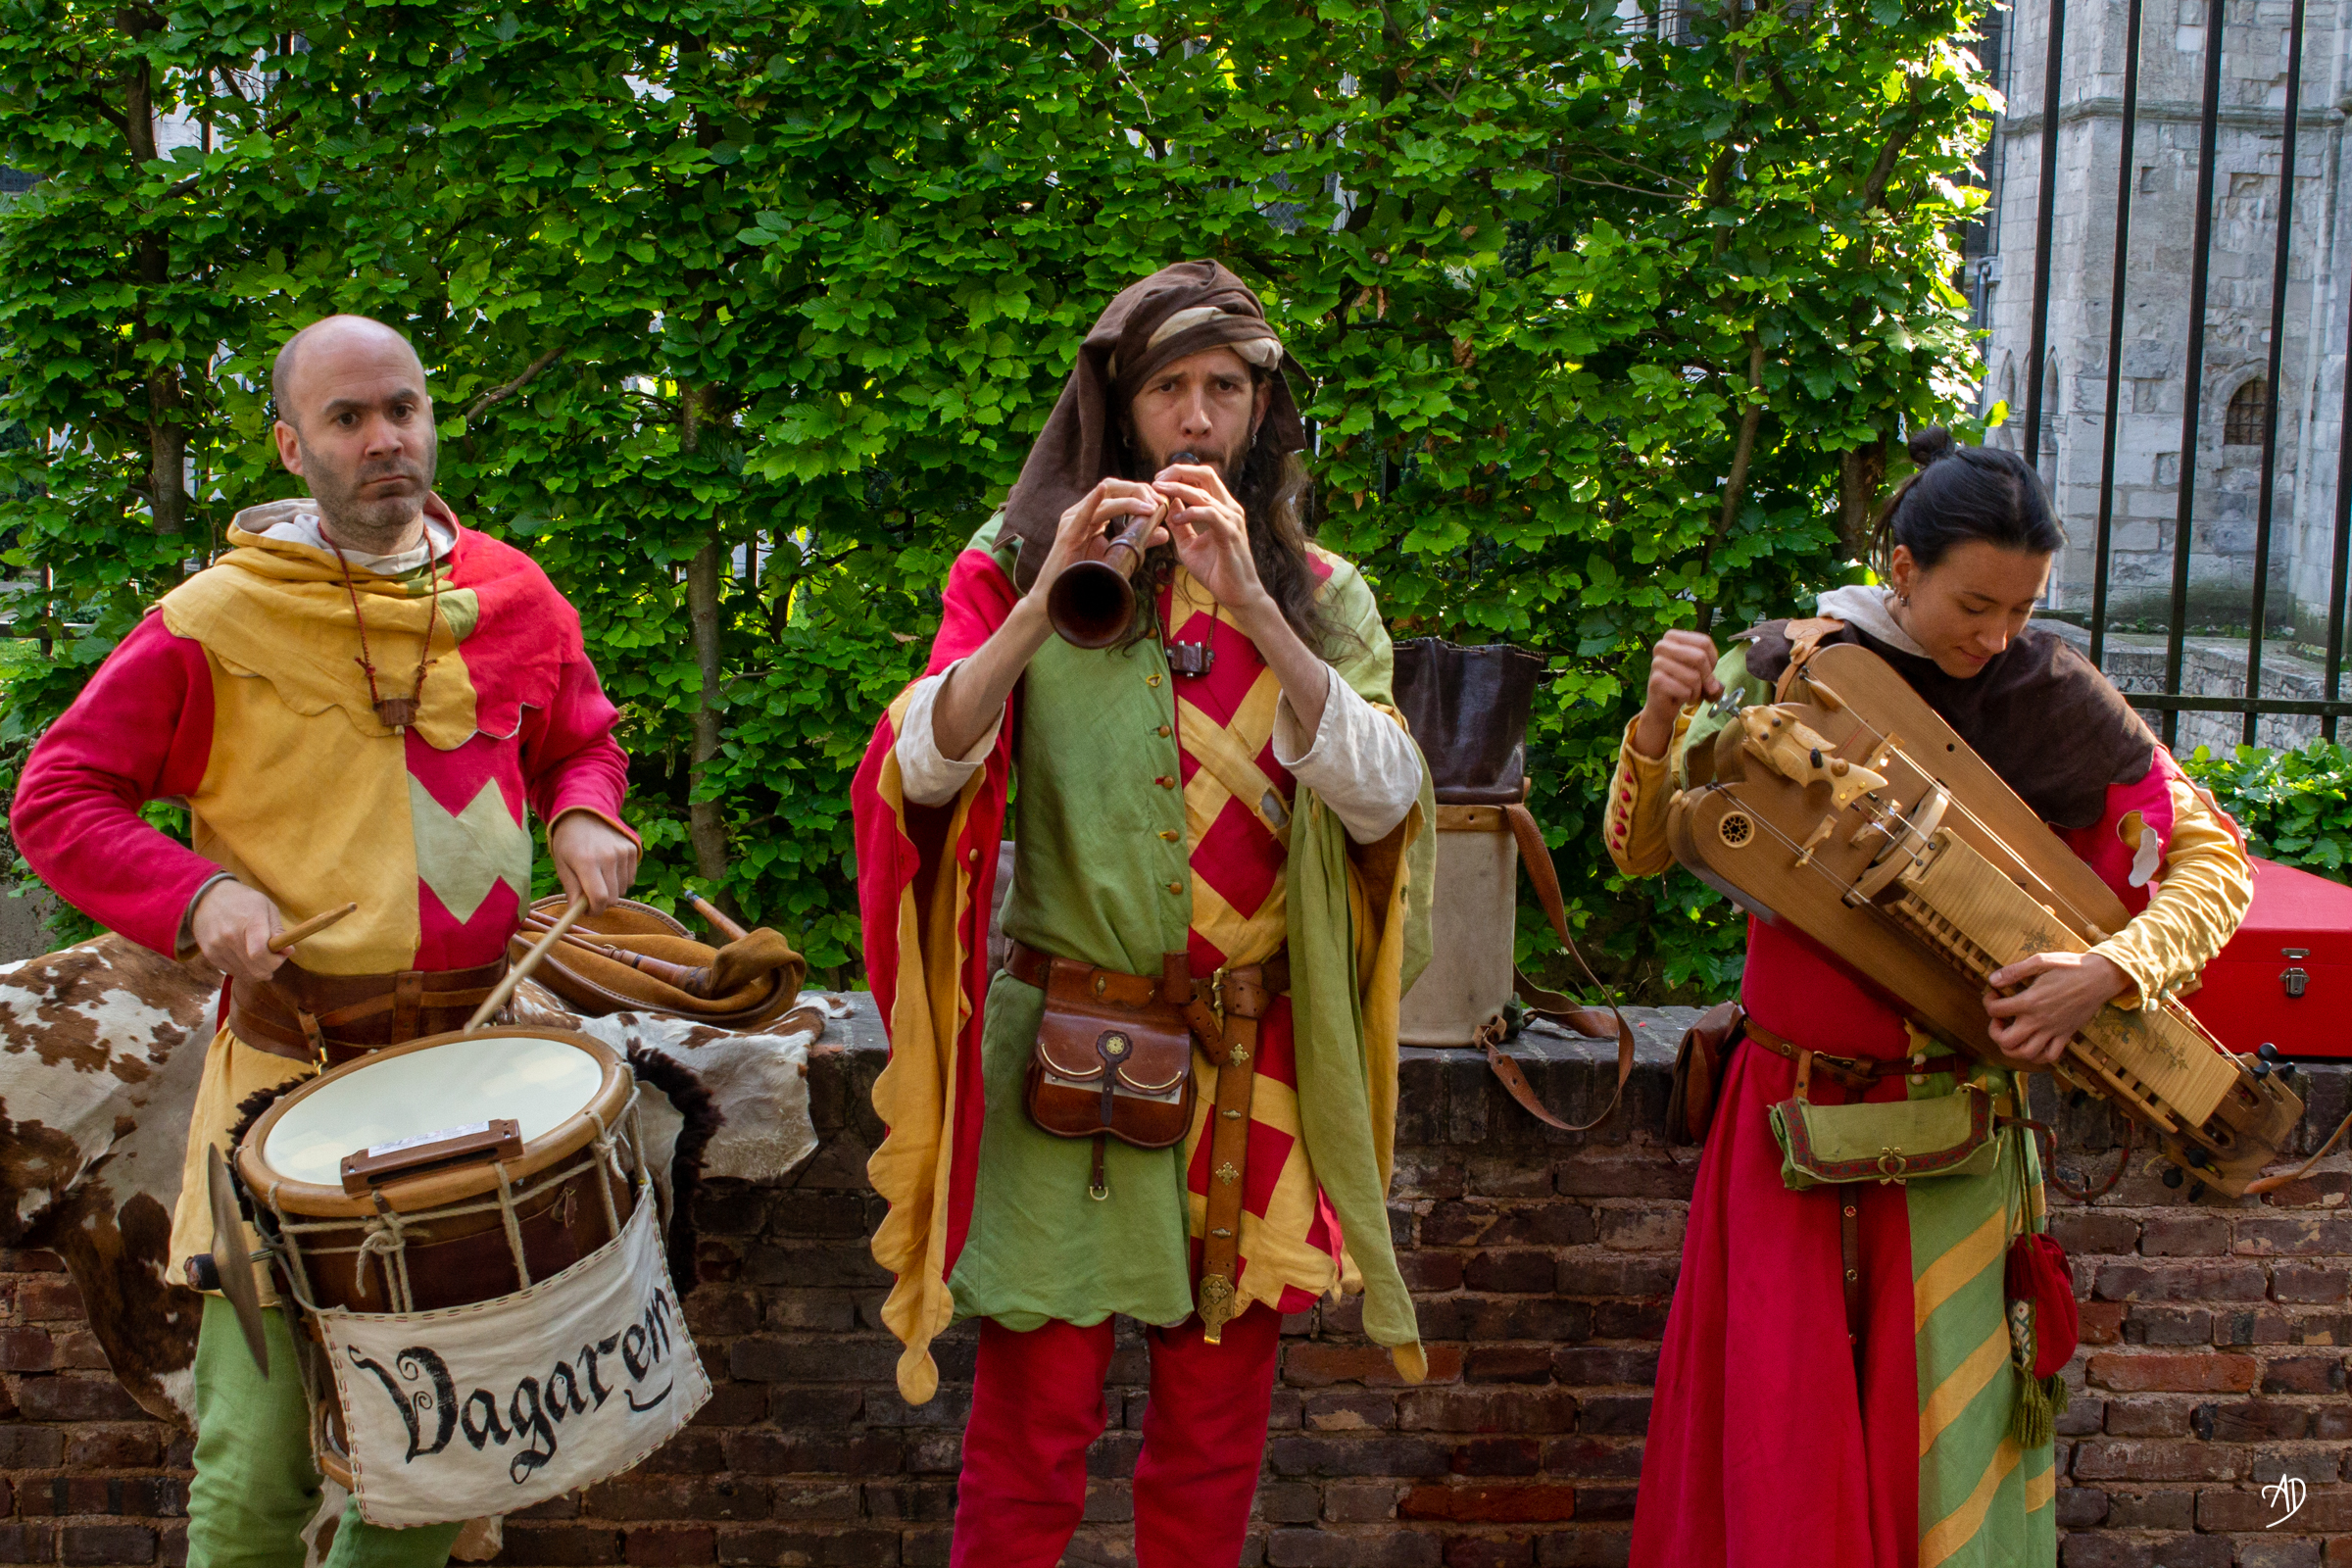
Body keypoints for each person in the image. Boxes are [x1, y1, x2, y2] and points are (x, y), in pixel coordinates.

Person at [11, 315, 640, 1568]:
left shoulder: (515, 594)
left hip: (476, 1082)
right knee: (253, 1473)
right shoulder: (213, 620)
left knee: (437, 1468)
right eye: (347, 420)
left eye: (401, 409)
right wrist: (198, 900)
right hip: (285, 1093)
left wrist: (583, 810)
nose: (383, 440)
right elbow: (59, 794)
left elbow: (581, 735)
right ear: (293, 445)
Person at [851, 260, 1436, 1568]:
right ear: (1119, 410)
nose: (1194, 416)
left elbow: (1390, 799)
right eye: (1167, 388)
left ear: (1261, 411)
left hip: (1256, 1075)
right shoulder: (1012, 567)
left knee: (1213, 1446)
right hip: (1069, 1052)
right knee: (1032, 1435)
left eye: (1222, 387)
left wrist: (1257, 611)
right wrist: (1036, 598)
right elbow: (921, 769)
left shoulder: (1322, 593)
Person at [1605, 427, 2253, 1568]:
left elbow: (2218, 865)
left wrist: (2109, 969)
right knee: (1777, 1445)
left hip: (1955, 1146)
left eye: (2023, 607)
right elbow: (1647, 850)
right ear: (1901, 568)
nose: (1999, 635)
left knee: (1946, 1463)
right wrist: (1658, 724)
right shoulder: (1794, 667)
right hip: (1782, 1129)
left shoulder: (2058, 698)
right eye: (1976, 605)